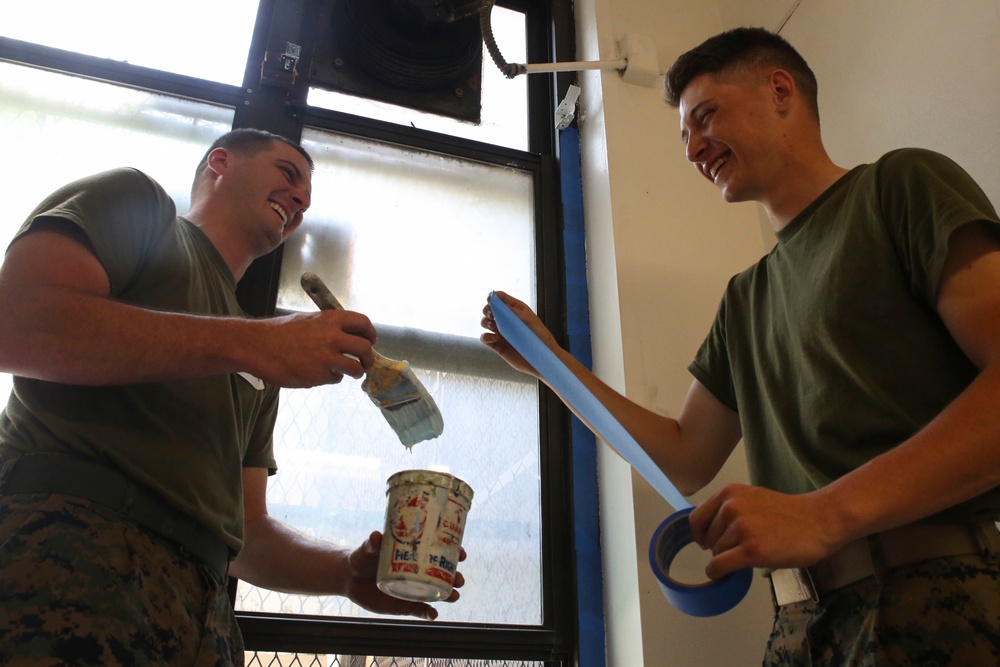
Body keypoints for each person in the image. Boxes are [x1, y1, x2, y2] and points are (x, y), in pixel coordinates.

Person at [481, 27, 999, 666]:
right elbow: (686, 456)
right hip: (799, 624)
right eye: (684, 137)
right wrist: (552, 363)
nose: (695, 148)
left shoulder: (899, 187)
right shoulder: (745, 298)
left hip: (934, 592)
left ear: (780, 90)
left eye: (705, 117)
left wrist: (824, 515)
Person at [0, 128, 464, 666]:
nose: (299, 199)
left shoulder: (258, 361)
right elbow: (17, 323)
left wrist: (346, 572)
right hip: (68, 555)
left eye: (307, 198)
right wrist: (255, 342)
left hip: (204, 613)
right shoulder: (139, 207)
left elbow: (249, 535)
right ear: (220, 162)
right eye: (287, 175)